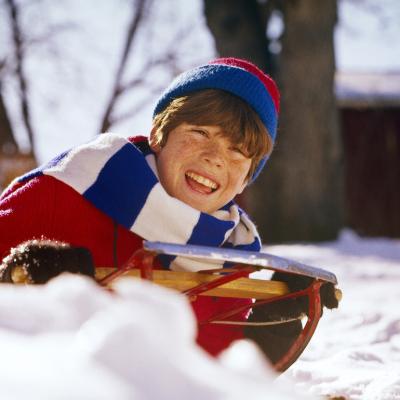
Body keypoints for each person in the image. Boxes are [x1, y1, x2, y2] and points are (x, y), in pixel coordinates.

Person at [0, 57, 336, 361]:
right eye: (200, 132)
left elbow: (198, 370)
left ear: (247, 177)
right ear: (159, 135)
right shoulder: (73, 187)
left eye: (238, 151)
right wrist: (18, 279)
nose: (215, 158)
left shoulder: (228, 256)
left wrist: (267, 332)